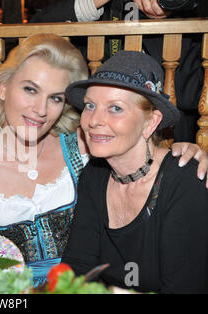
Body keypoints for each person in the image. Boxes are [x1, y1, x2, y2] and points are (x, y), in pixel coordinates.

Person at [0, 33, 208, 286]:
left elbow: (137, 151)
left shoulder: (85, 150)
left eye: (55, 98)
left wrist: (191, 152)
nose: (40, 110)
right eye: (30, 89)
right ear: (2, 88)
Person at [62, 50, 207, 293]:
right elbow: (77, 269)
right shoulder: (95, 174)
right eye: (90, 105)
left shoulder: (185, 181)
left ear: (151, 122)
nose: (94, 120)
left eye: (115, 108)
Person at [30, 0, 205, 143]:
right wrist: (92, 3)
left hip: (171, 138)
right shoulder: (103, 10)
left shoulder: (186, 15)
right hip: (98, 136)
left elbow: (191, 94)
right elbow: (31, 35)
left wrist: (170, 10)